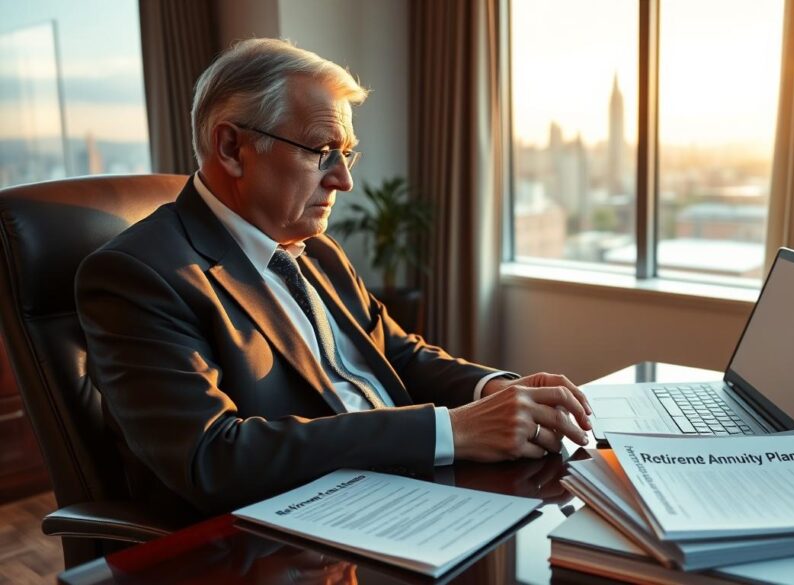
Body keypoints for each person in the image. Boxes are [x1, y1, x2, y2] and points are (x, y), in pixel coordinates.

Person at [76, 38, 591, 515]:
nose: (343, 180)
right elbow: (212, 457)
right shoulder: (139, 274)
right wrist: (448, 431)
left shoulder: (316, 250)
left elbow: (398, 351)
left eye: (347, 154)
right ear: (232, 148)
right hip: (296, 534)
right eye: (322, 150)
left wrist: (497, 392)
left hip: (413, 490)